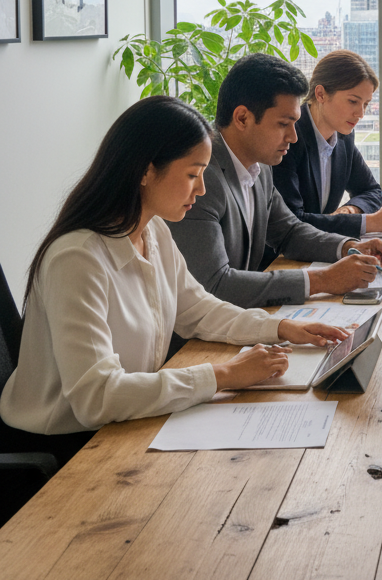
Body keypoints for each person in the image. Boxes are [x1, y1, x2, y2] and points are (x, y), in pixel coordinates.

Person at [0, 96, 347, 459]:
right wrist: (224, 375)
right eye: (193, 174)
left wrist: (279, 328)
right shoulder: (77, 259)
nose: (201, 189)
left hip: (126, 422)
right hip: (65, 446)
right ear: (146, 172)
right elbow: (96, 398)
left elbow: (197, 309)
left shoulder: (153, 232)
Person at [168, 53, 382, 308]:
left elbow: (289, 232)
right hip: (190, 342)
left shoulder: (259, 167)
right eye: (283, 124)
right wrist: (320, 280)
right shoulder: (201, 178)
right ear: (242, 118)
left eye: (295, 124)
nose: (294, 137)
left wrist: (349, 247)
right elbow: (215, 285)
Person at [272, 49, 382, 236]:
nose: (360, 113)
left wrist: (350, 210)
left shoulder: (343, 137)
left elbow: (371, 190)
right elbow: (293, 221)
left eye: (366, 104)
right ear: (320, 94)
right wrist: (370, 222)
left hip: (317, 250)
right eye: (353, 101)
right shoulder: (289, 138)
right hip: (278, 258)